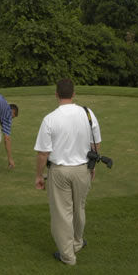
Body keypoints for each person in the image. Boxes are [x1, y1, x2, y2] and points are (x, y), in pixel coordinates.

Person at [34, 79, 101, 265]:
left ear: (56, 94)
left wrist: (39, 176)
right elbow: (95, 144)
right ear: (73, 94)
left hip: (59, 171)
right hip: (82, 169)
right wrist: (92, 167)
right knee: (79, 207)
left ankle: (68, 256)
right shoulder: (88, 114)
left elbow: (42, 153)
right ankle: (77, 243)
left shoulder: (50, 119)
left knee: (62, 213)